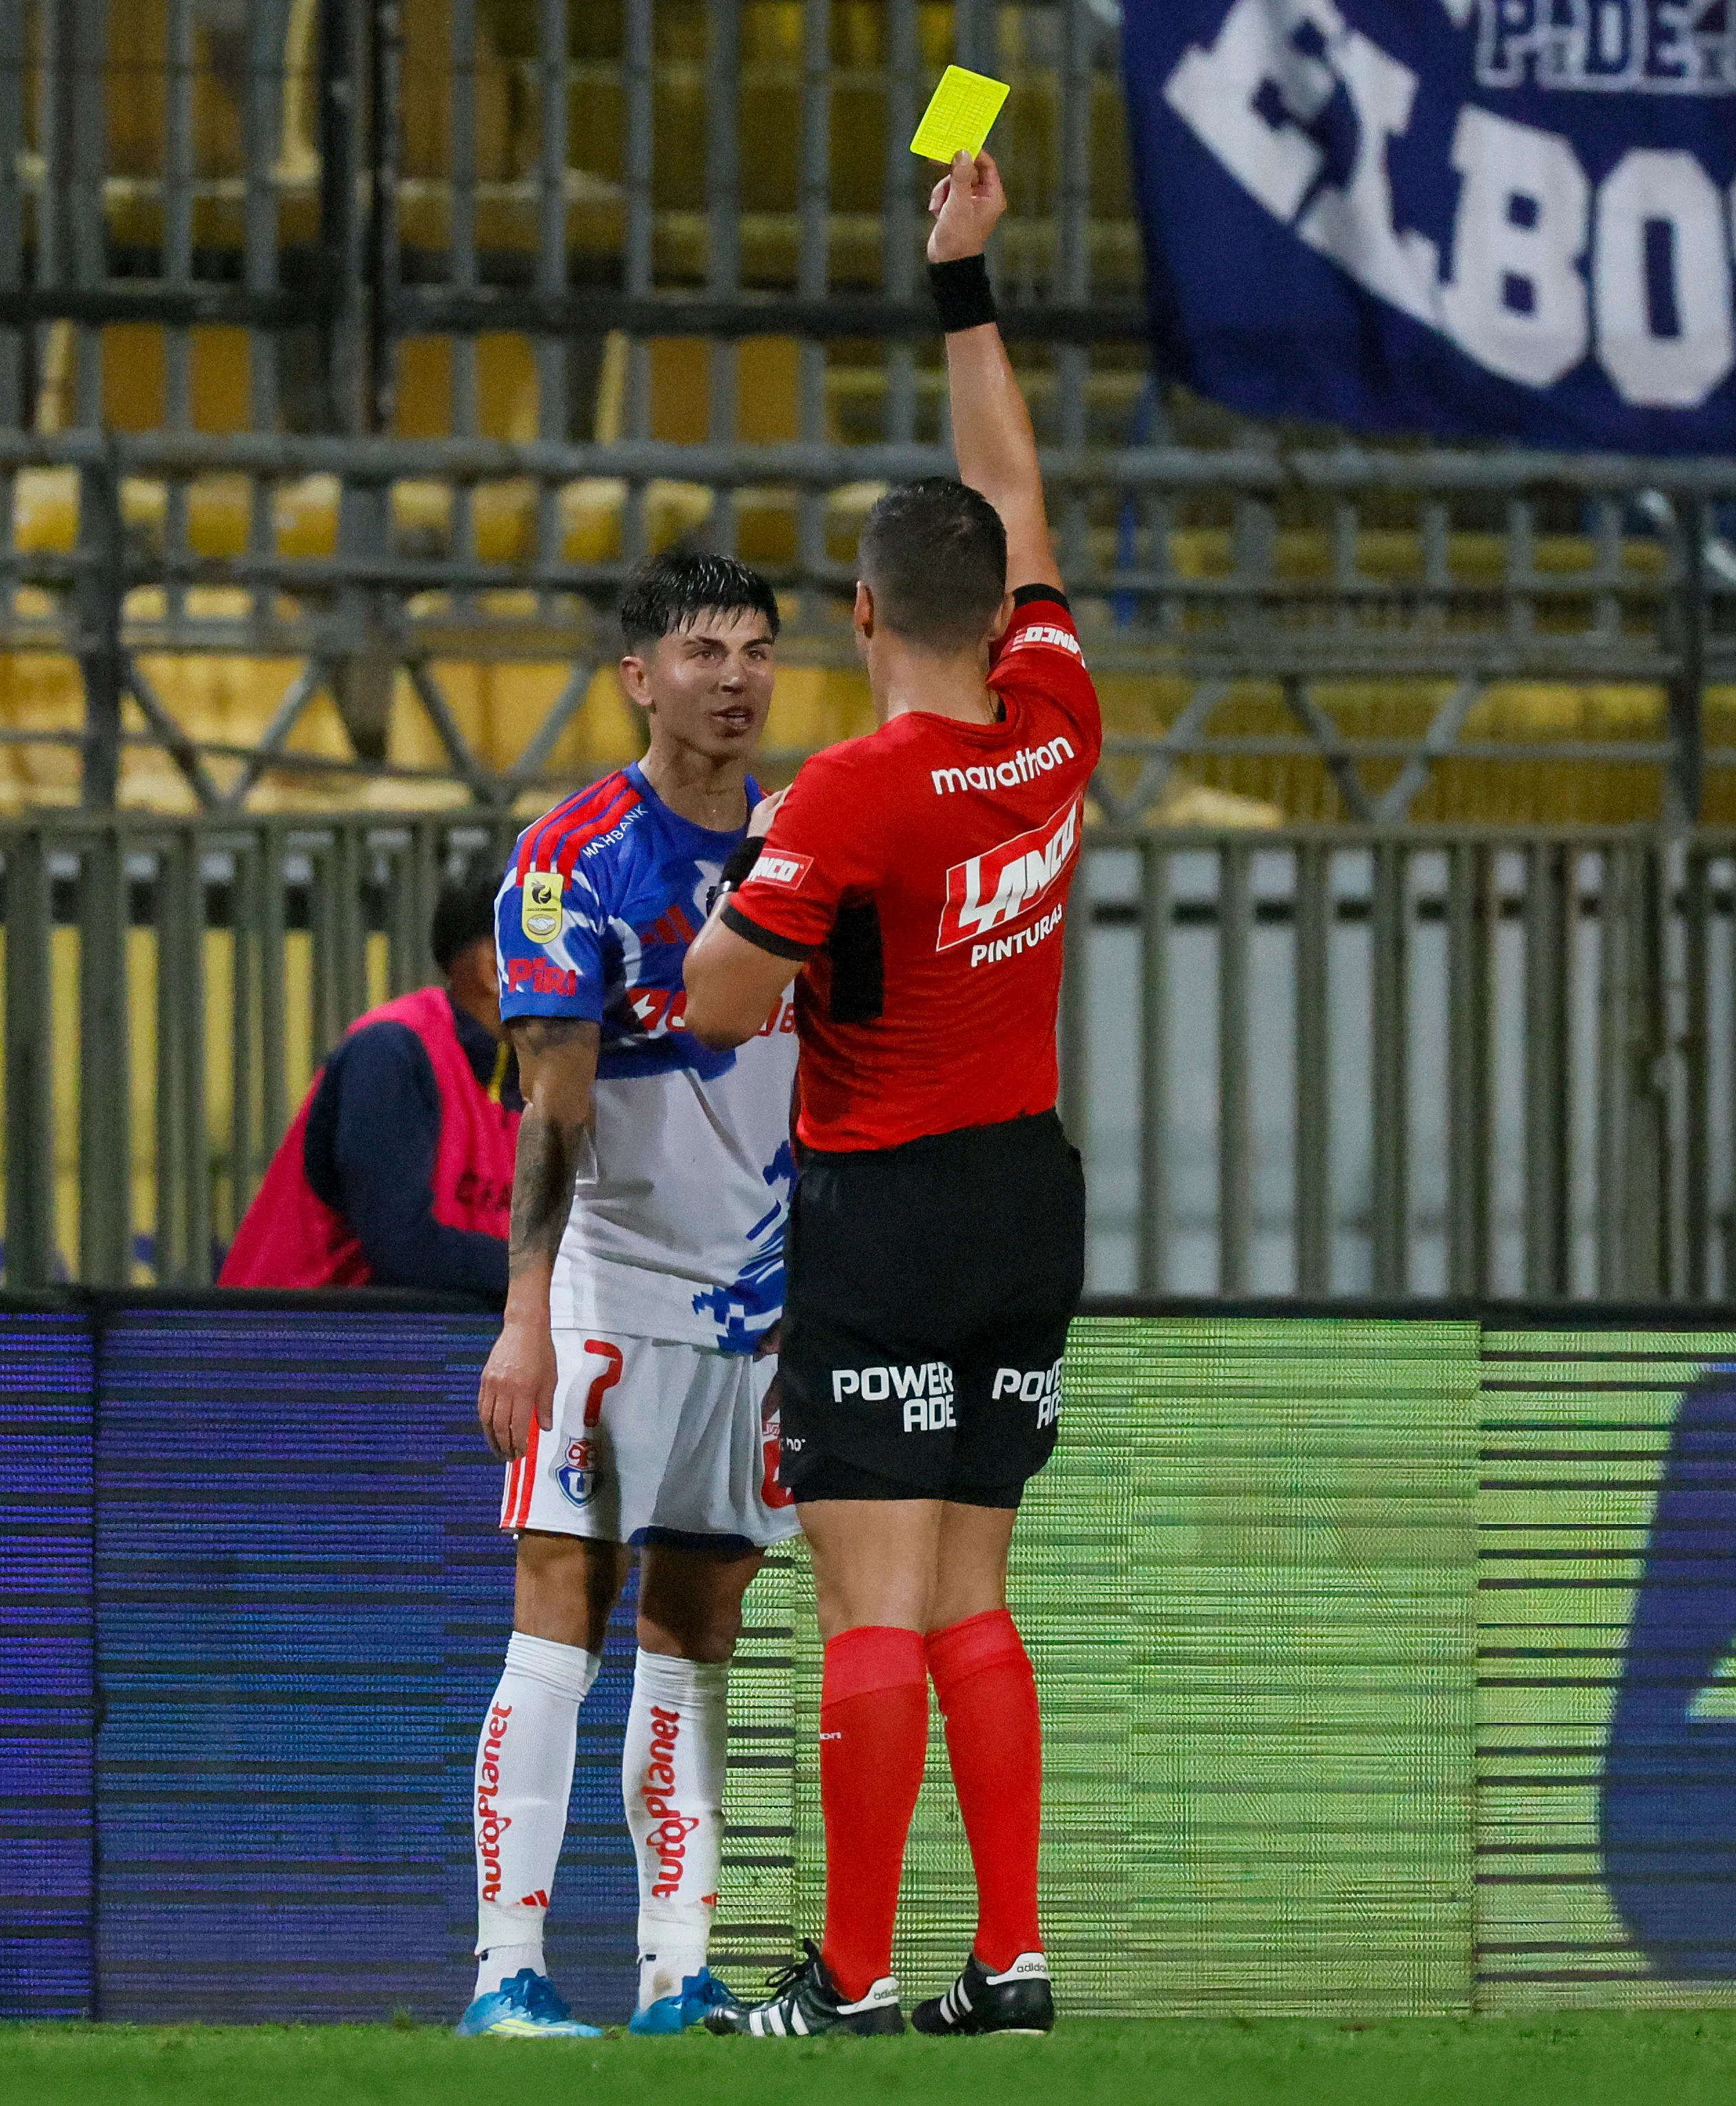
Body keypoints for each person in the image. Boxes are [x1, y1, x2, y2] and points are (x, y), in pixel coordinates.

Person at [681, 149, 1091, 2041]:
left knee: (867, 1603)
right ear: (999, 611)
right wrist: (965, 288)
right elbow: (1014, 490)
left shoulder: (841, 797)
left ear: (858, 609)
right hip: (1027, 1199)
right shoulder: (1054, 723)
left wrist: (744, 898)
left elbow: (720, 998)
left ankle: (844, 1973)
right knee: (972, 1596)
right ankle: (1004, 1962)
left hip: (883, 1206)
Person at [460, 547, 803, 2039]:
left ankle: (678, 1971)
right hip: (609, 1287)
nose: (734, 675)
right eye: (703, 649)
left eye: (756, 648)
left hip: (763, 1299)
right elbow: (554, 1107)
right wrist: (527, 1313)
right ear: (638, 675)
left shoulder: (809, 847)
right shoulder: (572, 861)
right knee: (562, 1608)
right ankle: (507, 1971)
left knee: (700, 1621)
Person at [216, 868, 515, 1298]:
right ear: (493, 968)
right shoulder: (392, 1054)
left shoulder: (536, 1077)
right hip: (288, 1350)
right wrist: (551, 1277)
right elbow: (403, 1248)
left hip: (413, 1353)